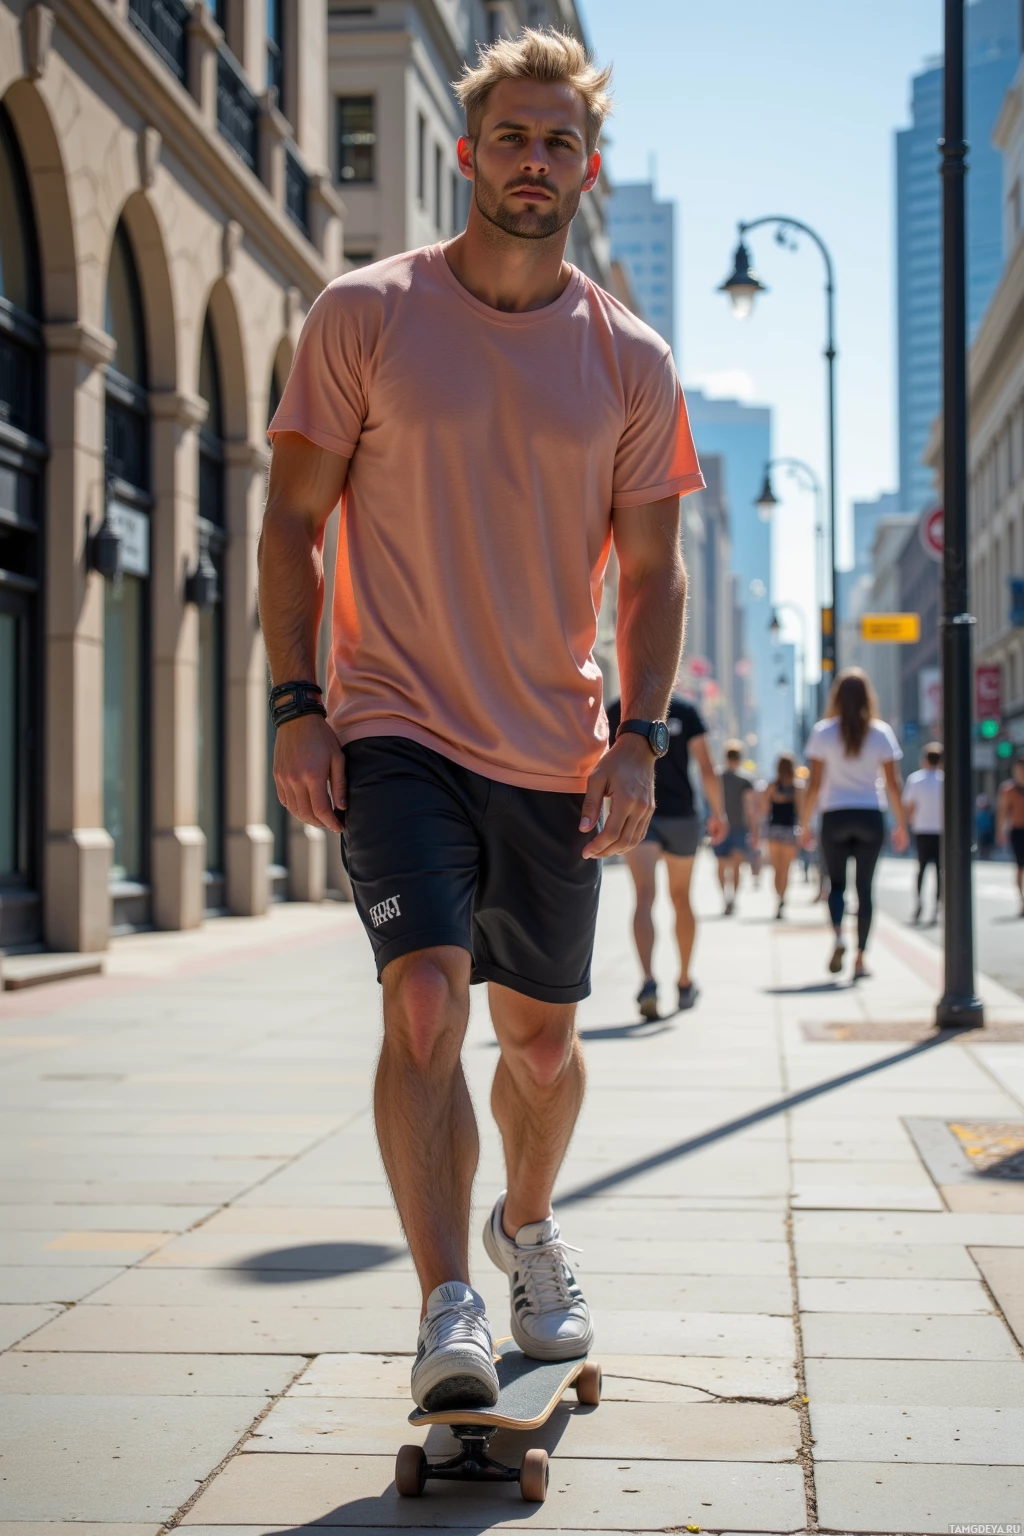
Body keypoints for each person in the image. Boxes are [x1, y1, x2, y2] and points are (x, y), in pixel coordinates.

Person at [259, 30, 705, 1414]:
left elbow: (649, 571)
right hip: (396, 724)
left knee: (544, 1046)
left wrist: (639, 735)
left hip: (553, 744)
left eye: (560, 142)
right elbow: (289, 520)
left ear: (586, 167)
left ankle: (526, 1228)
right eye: (512, 136)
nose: (534, 160)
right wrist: (297, 705)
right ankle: (446, 1297)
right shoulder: (365, 314)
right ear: (468, 152)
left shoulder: (629, 357)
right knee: (424, 1004)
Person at [606, 695, 725, 1018]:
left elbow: (601, 759)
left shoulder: (620, 708)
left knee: (644, 897)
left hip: (637, 811)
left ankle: (648, 982)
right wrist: (719, 812)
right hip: (681, 816)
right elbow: (706, 767)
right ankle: (685, 982)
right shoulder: (686, 710)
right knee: (681, 898)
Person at [800, 669, 909, 980]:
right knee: (865, 889)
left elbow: (815, 784)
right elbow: (893, 783)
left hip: (834, 815)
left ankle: (837, 936)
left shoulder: (823, 732)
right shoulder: (881, 732)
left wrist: (806, 823)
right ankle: (861, 959)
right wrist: (901, 824)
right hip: (870, 815)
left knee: (836, 885)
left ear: (835, 698)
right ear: (867, 698)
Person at [903, 742, 943, 925]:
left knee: (921, 869)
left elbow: (910, 806)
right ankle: (937, 907)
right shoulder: (945, 780)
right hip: (942, 831)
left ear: (925, 759)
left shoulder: (916, 779)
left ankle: (919, 903)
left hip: (922, 830)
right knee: (940, 871)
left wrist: (905, 825)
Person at [715, 741, 756, 915]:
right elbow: (749, 808)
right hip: (739, 827)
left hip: (720, 826)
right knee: (737, 867)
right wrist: (754, 830)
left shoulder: (717, 778)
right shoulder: (745, 780)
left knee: (722, 865)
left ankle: (725, 898)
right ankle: (733, 899)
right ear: (740, 758)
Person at [761, 752, 803, 920]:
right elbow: (800, 811)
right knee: (786, 869)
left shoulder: (772, 786)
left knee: (776, 869)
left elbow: (764, 809)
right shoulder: (797, 787)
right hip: (789, 830)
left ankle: (778, 898)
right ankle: (782, 898)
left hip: (774, 830)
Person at [997, 755, 1024, 916]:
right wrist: (1000, 831)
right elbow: (1002, 812)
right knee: (1020, 867)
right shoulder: (1008, 789)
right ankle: (1022, 900)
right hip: (1017, 831)